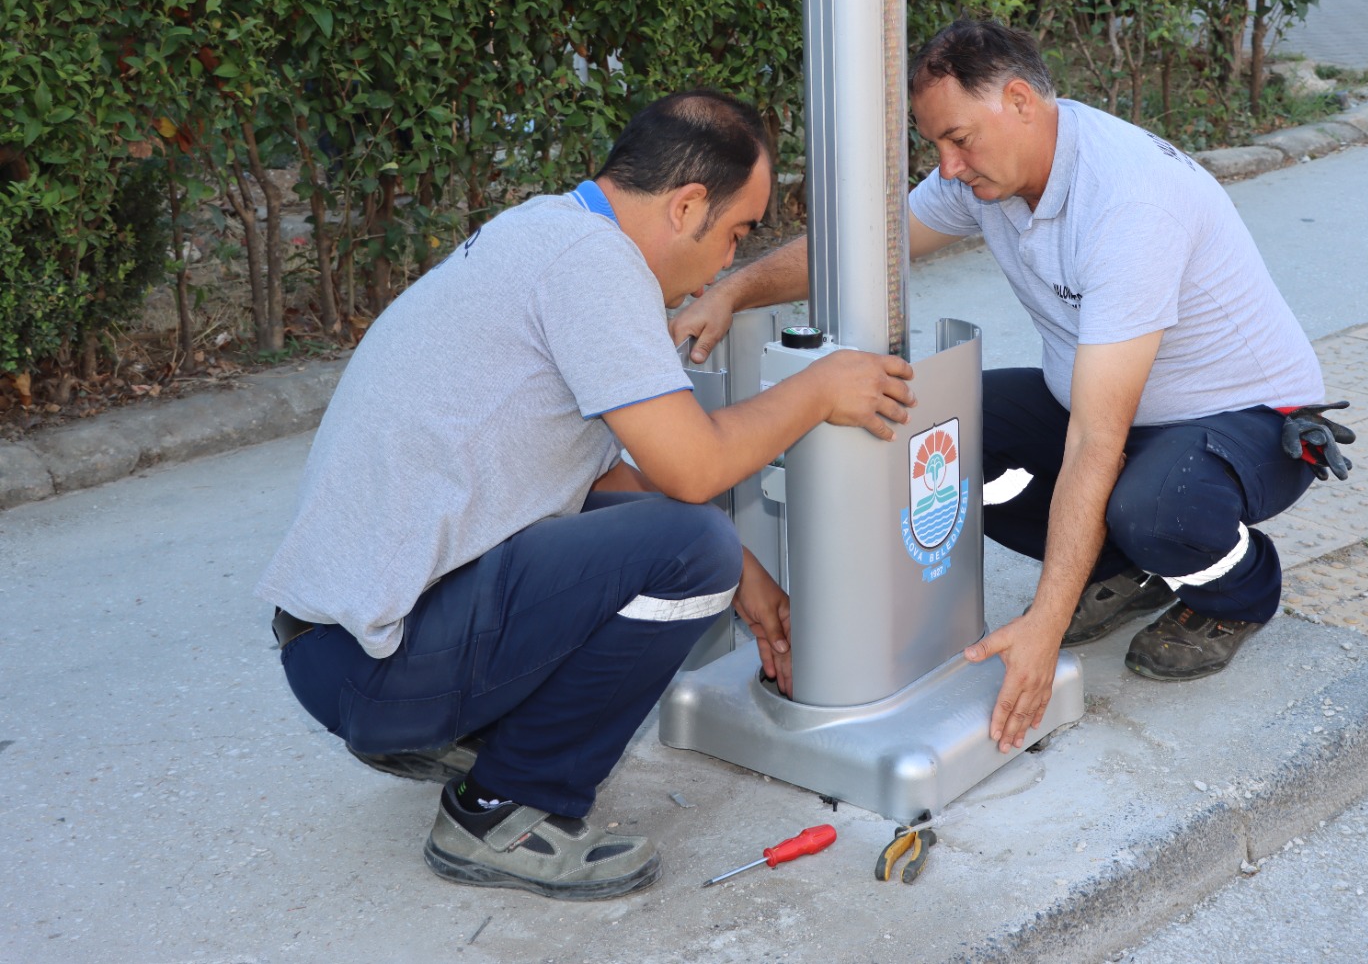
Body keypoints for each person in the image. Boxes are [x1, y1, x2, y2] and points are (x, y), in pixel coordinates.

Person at [255, 90, 915, 901]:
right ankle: (503, 807)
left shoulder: (548, 231)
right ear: (686, 205)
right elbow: (693, 470)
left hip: (335, 650)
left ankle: (464, 727)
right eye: (738, 233)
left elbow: (609, 479)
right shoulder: (593, 266)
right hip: (373, 665)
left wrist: (751, 582)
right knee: (693, 553)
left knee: (697, 549)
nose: (728, 261)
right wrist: (819, 390)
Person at [672, 20, 1352, 758]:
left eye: (958, 140)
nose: (948, 166)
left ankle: (1239, 591)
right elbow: (870, 247)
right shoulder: (990, 175)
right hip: (1109, 409)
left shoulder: (1130, 205)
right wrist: (734, 290)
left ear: (1021, 102)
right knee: (939, 435)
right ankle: (1124, 570)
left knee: (1157, 508)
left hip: (1244, 420)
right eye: (936, 144)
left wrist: (1043, 630)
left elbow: (1096, 439)